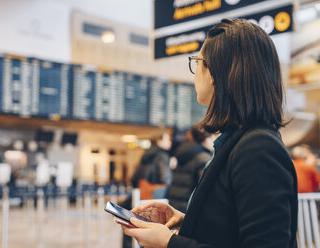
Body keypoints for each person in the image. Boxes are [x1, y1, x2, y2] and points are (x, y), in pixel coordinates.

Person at [121, 18, 298, 248]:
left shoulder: (258, 149)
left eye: (198, 62)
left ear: (216, 73)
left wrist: (169, 243)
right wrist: (185, 219)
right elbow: (233, 226)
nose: (195, 72)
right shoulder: (237, 141)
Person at [167, 124, 215, 213]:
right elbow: (206, 188)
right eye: (213, 138)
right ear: (206, 138)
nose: (214, 142)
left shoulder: (183, 152)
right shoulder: (203, 158)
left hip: (174, 204)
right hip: (189, 208)